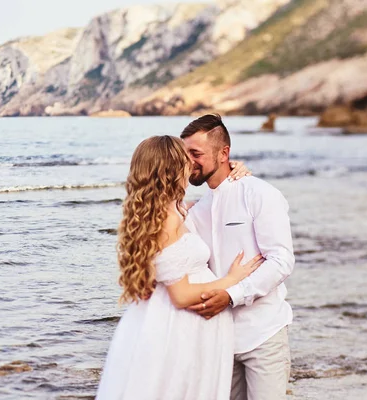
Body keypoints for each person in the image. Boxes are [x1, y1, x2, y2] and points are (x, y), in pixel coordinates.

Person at [96, 135, 260, 400]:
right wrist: (232, 279)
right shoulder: (166, 219)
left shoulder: (165, 210)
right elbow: (181, 295)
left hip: (165, 321)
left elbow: (209, 204)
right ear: (172, 169)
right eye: (186, 161)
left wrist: (233, 170)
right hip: (177, 328)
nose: (192, 166)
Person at [181, 114, 295, 400]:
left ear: (224, 154)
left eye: (196, 154)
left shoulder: (259, 194)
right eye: (185, 155)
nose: (188, 162)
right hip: (218, 340)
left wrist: (232, 295)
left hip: (263, 333)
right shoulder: (195, 210)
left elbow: (281, 260)